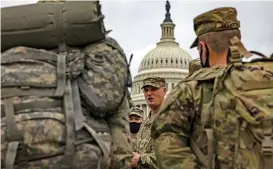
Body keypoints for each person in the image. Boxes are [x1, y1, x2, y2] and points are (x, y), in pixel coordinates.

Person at [151, 7, 273, 169]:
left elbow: (167, 145)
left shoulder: (192, 89)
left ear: (203, 48)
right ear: (237, 42)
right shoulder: (267, 78)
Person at [130, 77, 167, 169]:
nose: (149, 93)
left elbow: (172, 156)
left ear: (164, 91)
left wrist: (139, 159)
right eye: (146, 90)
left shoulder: (171, 119)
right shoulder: (144, 124)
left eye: (154, 89)